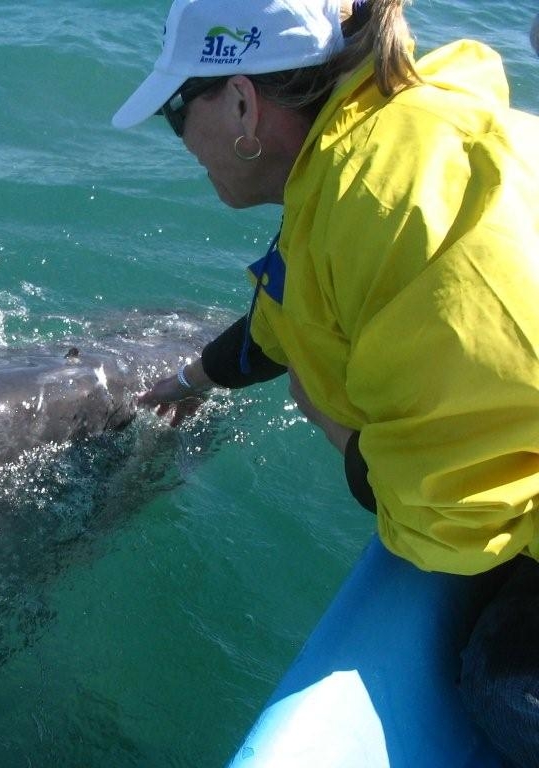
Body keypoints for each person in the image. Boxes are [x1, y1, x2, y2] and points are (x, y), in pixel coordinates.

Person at [112, 0, 539, 763]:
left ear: (243, 103)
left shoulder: (380, 209)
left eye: (180, 112)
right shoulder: (385, 144)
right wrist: (184, 380)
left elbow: (453, 521)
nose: (180, 140)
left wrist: (336, 428)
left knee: (503, 688)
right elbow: (288, 314)